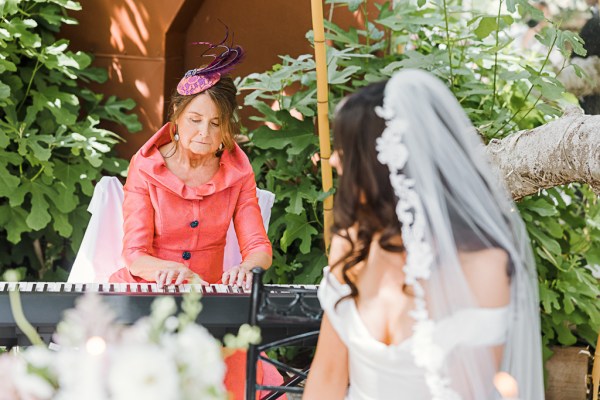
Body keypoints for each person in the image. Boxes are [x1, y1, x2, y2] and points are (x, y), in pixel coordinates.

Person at [303, 70, 544, 399]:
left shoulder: (483, 265)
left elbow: (473, 390)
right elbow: (327, 377)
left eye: (347, 150)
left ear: (379, 164)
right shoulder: (352, 244)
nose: (334, 160)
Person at [109, 37, 272, 289]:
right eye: (195, 119)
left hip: (206, 292)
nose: (204, 133)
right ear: (176, 111)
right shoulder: (146, 167)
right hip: (148, 288)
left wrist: (247, 268)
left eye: (215, 123)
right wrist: (166, 269)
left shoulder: (238, 171)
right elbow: (135, 254)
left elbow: (258, 246)